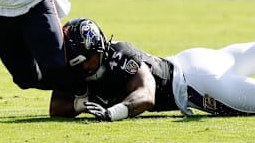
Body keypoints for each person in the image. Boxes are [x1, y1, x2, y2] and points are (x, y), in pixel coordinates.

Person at [50, 18, 255, 120]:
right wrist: (80, 104)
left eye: (89, 59)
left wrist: (113, 112)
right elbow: (56, 108)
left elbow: (146, 95)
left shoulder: (121, 55)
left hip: (200, 83)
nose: (85, 66)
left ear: (100, 49)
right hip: (192, 60)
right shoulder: (77, 70)